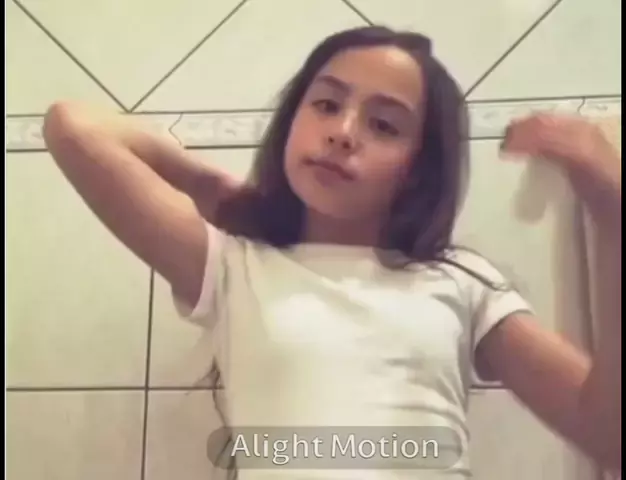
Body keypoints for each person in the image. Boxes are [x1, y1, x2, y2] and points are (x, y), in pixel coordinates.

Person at [42, 26, 620, 479]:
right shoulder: (233, 267)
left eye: (384, 125)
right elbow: (73, 127)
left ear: (418, 168)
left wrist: (610, 202)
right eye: (324, 105)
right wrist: (213, 188)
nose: (343, 132)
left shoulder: (463, 282)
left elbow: (609, 434)